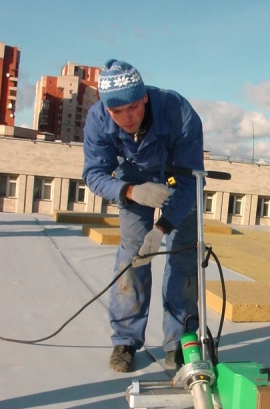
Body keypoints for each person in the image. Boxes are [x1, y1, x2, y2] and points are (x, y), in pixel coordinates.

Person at [82, 60, 203, 372]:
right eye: (117, 112)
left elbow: (192, 181)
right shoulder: (97, 120)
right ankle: (125, 339)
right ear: (105, 108)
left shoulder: (179, 112)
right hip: (133, 182)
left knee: (183, 258)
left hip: (178, 180)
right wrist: (131, 192)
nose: (127, 118)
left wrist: (161, 228)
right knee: (133, 257)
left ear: (145, 97)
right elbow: (94, 174)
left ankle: (181, 341)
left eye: (133, 107)